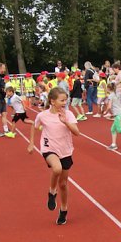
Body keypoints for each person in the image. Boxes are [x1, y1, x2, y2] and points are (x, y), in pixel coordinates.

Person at [28, 87, 79, 225]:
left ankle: (63, 209)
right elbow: (34, 125)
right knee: (56, 169)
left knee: (63, 184)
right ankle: (51, 192)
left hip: (66, 151)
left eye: (65, 100)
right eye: (61, 100)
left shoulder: (68, 114)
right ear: (52, 101)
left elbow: (77, 132)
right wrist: (32, 143)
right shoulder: (43, 115)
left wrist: (65, 122)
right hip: (49, 149)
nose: (64, 103)